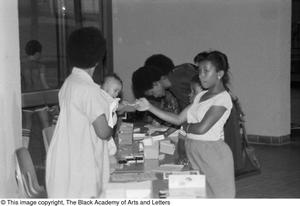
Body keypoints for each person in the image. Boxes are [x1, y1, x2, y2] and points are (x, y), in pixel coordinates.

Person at [135, 50, 236, 198]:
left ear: (219, 74)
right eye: (200, 71)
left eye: (206, 71)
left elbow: (201, 128)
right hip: (195, 151)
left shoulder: (223, 98)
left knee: (218, 196)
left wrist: (185, 127)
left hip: (212, 154)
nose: (201, 75)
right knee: (199, 195)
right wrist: (149, 107)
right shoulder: (201, 95)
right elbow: (178, 119)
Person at [46, 27, 113, 198]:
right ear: (99, 59)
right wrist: (113, 120)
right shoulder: (89, 89)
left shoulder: (69, 82)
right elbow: (103, 131)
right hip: (82, 162)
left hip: (66, 156)